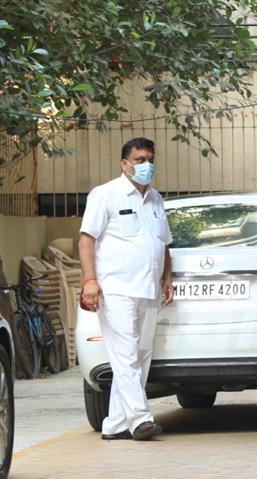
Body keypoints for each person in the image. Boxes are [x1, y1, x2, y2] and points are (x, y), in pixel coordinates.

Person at [79, 137, 174, 441]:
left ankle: (116, 423)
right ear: (125, 164)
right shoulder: (105, 194)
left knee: (141, 354)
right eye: (140, 159)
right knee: (124, 354)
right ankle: (140, 418)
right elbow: (86, 239)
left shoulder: (157, 199)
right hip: (116, 288)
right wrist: (89, 280)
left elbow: (164, 244)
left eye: (150, 159)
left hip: (149, 289)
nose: (147, 165)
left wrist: (166, 278)